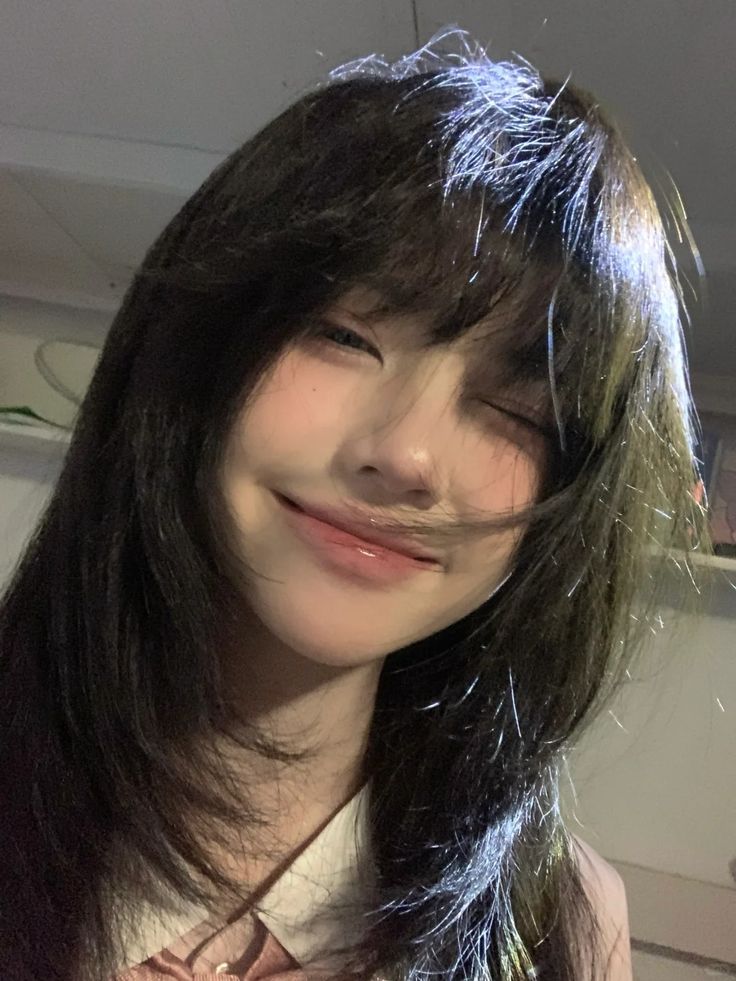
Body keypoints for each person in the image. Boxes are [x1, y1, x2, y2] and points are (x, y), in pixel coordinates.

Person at [0, 28, 706, 981]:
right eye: (343, 335)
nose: (407, 454)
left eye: (516, 408)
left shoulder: (563, 925)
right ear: (197, 352)